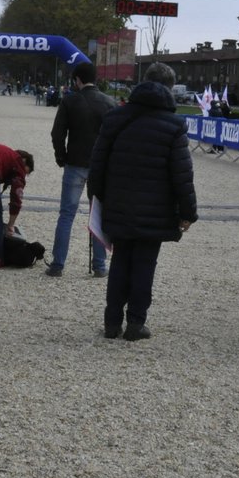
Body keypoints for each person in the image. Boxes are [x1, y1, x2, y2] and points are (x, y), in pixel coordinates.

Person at [86, 62, 197, 341]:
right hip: (156, 209)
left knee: (120, 260)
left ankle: (112, 322)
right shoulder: (174, 125)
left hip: (117, 203)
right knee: (145, 264)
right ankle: (136, 323)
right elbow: (182, 174)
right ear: (170, 88)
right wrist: (188, 212)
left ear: (143, 82)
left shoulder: (115, 117)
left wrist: (96, 198)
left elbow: (97, 163)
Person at [47, 61, 114, 279]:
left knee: (66, 214)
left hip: (75, 163)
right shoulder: (109, 102)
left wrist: (61, 157)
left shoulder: (70, 100)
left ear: (77, 80)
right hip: (101, 167)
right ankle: (99, 265)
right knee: (99, 215)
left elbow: (57, 134)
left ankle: (58, 264)